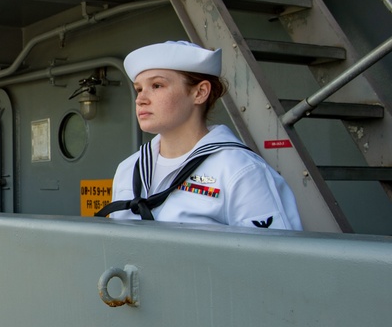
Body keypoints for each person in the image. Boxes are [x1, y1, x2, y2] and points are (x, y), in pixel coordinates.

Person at [96, 40, 302, 229]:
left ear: (200, 92)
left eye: (157, 86)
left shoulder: (240, 171)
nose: (141, 99)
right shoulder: (129, 169)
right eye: (139, 89)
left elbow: (275, 261)